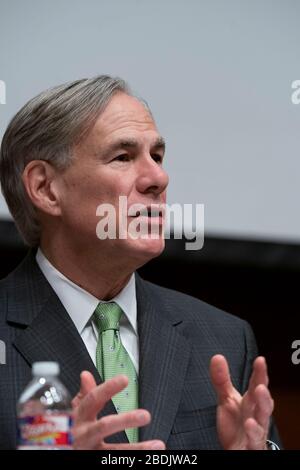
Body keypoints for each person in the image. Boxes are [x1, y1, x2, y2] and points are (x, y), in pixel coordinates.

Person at [0, 76, 280, 450]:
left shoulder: (225, 339)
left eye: (158, 157)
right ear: (46, 188)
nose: (158, 178)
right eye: (123, 157)